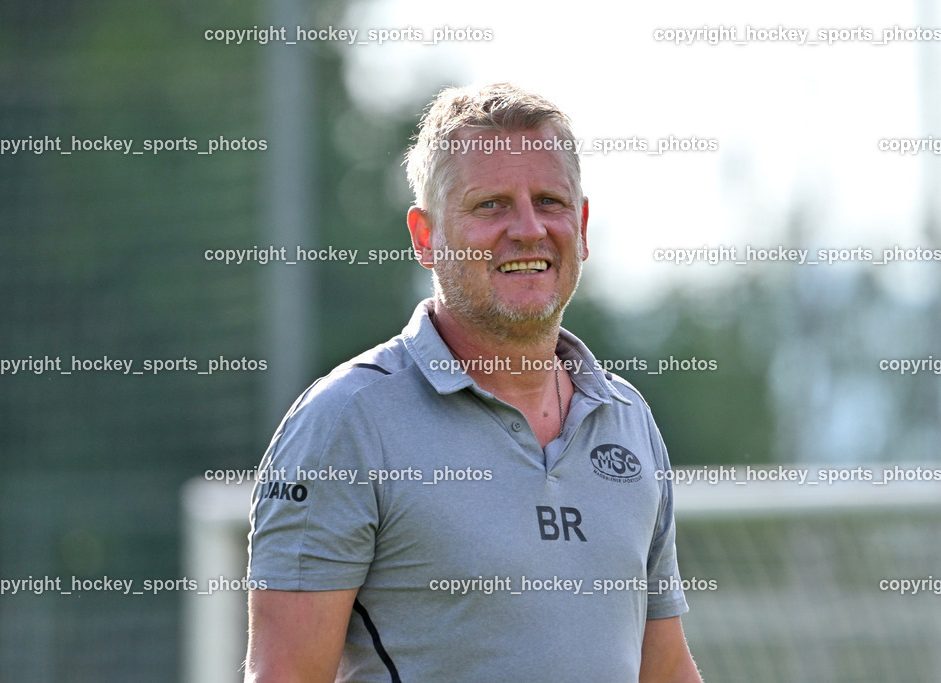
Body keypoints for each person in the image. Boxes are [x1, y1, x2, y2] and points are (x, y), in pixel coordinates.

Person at [245, 82, 702, 682]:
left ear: (583, 224)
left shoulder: (627, 418)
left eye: (549, 201)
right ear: (425, 237)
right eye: (490, 205)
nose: (529, 229)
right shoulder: (345, 422)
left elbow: (663, 669)